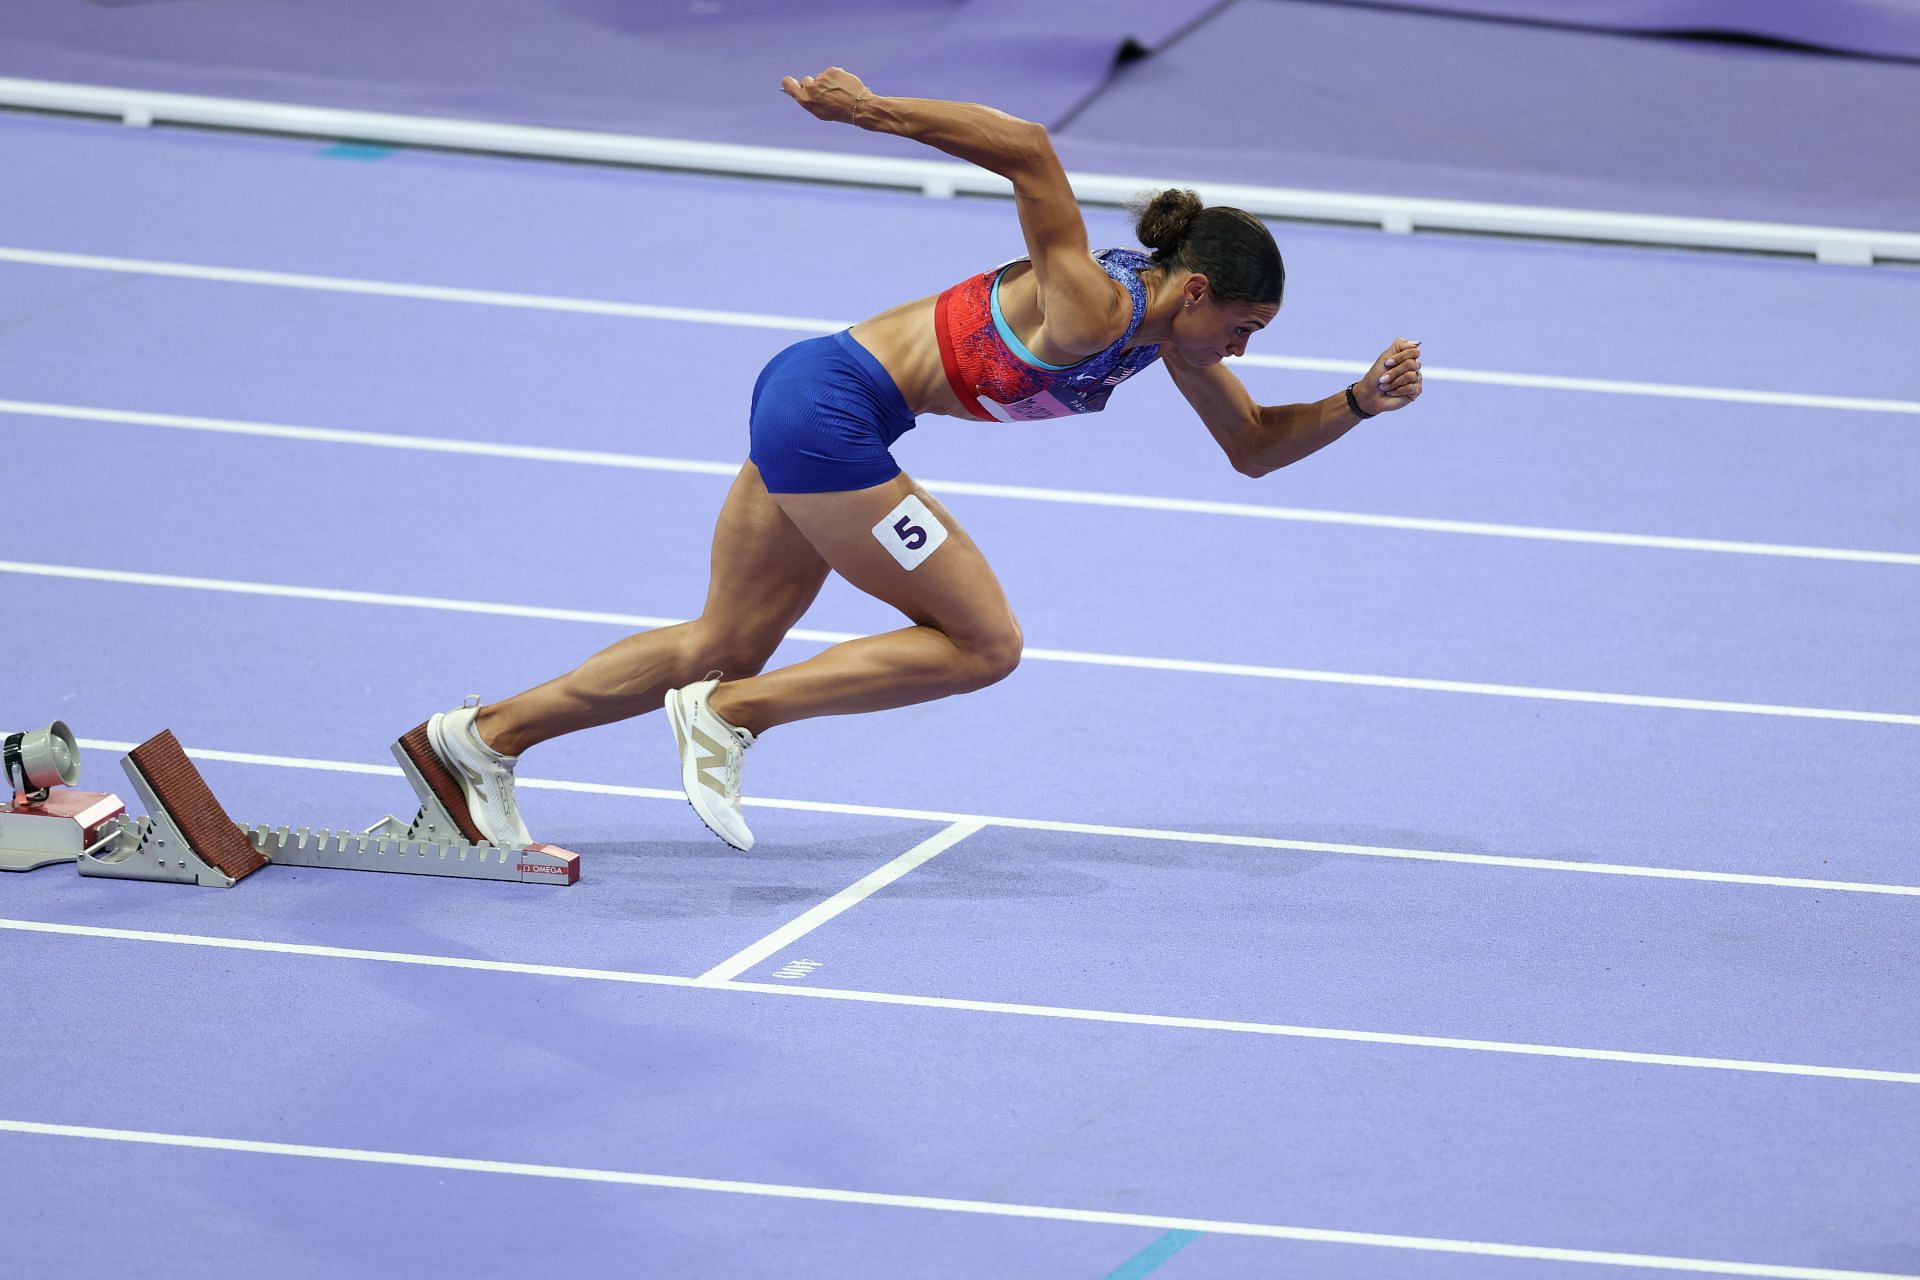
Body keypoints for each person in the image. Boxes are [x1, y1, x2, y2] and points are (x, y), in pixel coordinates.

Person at [412, 67, 1423, 853]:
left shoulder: (1163, 341)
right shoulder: (1095, 306)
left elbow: (1252, 448)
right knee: (986, 642)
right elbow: (1028, 150)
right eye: (1245, 327)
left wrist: (1356, 404)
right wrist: (872, 113)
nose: (1244, 352)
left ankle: (479, 739)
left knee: (721, 635)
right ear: (1194, 290)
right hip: (831, 410)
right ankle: (729, 717)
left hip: (819, 401)